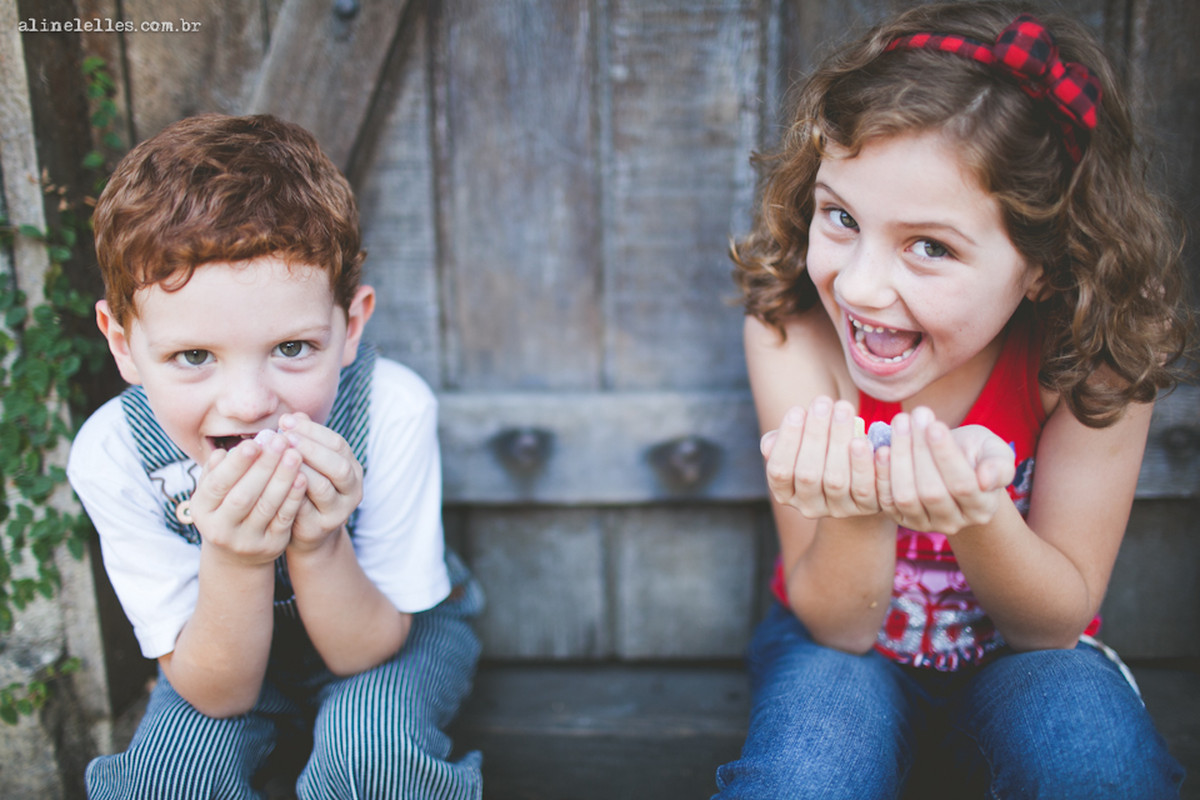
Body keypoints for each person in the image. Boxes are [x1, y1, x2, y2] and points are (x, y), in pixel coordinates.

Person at [713, 3, 1190, 798]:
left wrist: (976, 513)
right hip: (842, 654)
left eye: (929, 246)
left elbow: (1052, 624)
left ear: (1042, 260)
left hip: (1029, 658)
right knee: (803, 775)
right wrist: (860, 505)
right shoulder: (792, 331)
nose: (861, 286)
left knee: (1099, 765)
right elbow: (837, 623)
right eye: (841, 217)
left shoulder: (1090, 364)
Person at [68, 113, 484, 799]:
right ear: (121, 344)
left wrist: (320, 543)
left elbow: (368, 650)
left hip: (385, 632)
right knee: (165, 780)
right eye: (193, 357)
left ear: (350, 326)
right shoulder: (112, 454)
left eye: (292, 349)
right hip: (215, 656)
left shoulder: (391, 410)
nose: (251, 402)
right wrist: (233, 559)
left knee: (372, 758)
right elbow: (217, 692)